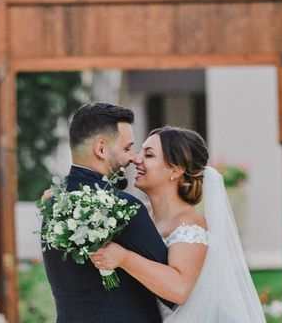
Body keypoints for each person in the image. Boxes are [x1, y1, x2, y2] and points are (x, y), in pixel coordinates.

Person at [91, 127, 266, 322]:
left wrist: (123, 258)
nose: (136, 159)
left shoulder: (191, 224)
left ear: (175, 170)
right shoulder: (137, 213)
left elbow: (180, 289)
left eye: (148, 155)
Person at [42, 102, 172, 323]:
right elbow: (173, 291)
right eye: (127, 148)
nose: (133, 158)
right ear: (101, 149)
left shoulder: (52, 206)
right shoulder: (122, 208)